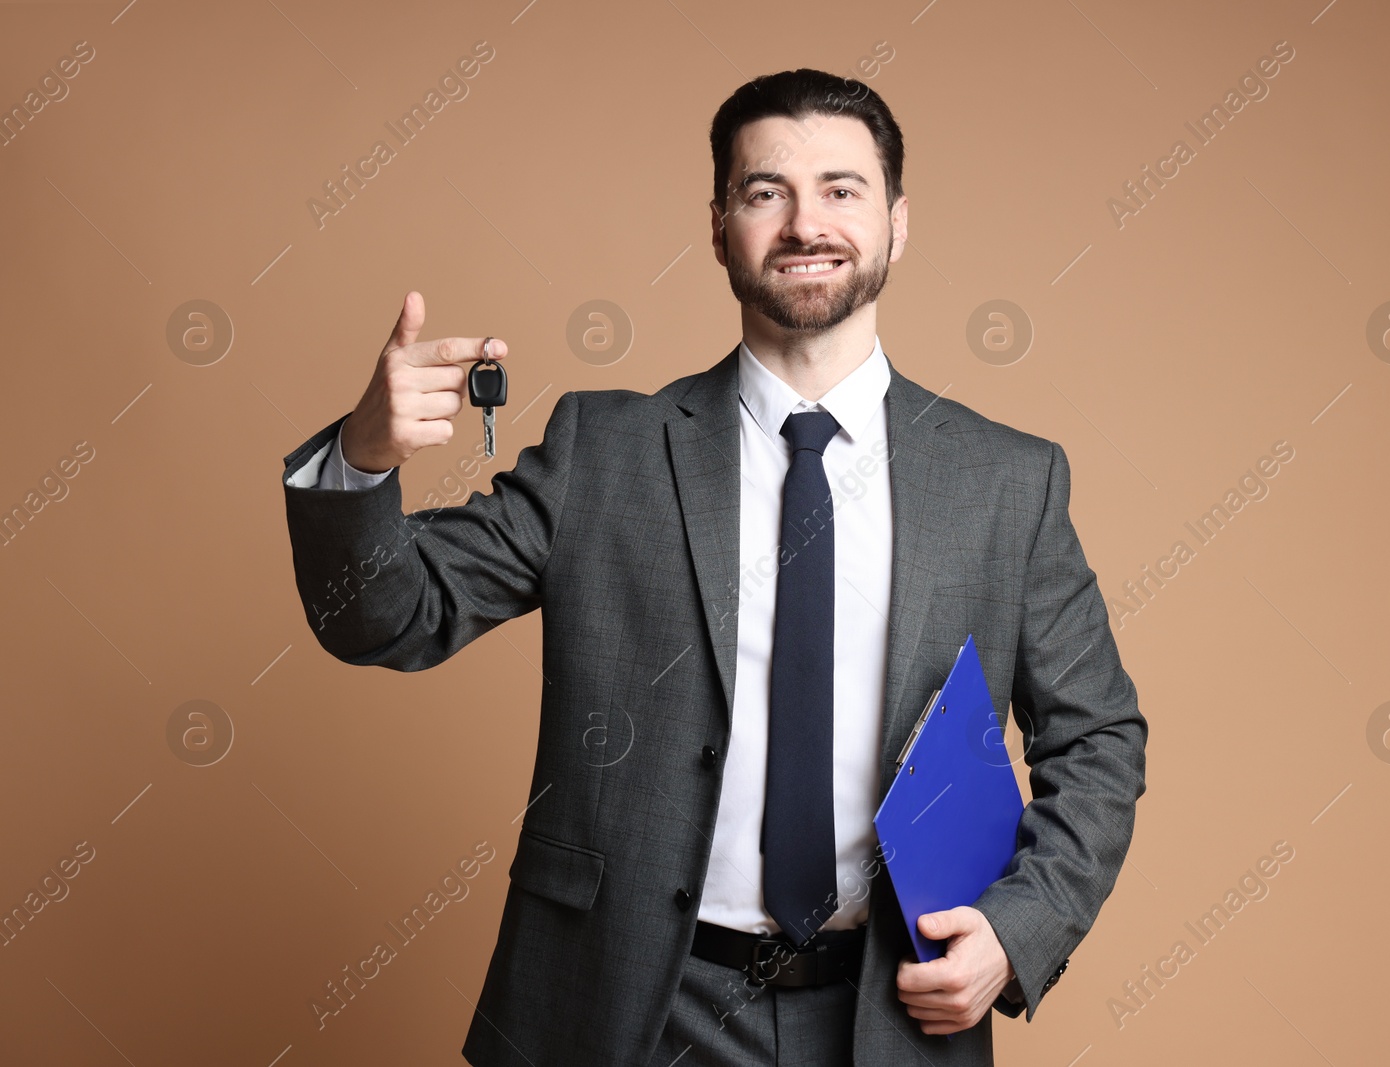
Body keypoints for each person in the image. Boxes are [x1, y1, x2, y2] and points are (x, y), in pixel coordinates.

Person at [280, 67, 1146, 1067]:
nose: (804, 222)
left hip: (893, 1013)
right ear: (718, 224)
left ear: (898, 223)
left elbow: (1098, 737)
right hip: (631, 1010)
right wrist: (363, 455)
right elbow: (383, 616)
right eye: (765, 191)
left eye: (841, 189)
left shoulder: (1006, 480)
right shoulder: (602, 451)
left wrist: (1016, 929)